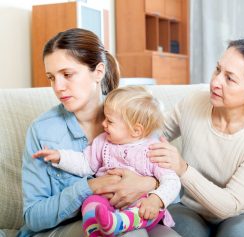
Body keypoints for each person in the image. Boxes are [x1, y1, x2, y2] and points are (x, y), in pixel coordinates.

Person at [19, 28, 181, 237]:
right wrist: (91, 187)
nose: (58, 87)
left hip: (129, 215)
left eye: (67, 74)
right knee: (131, 235)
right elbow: (33, 217)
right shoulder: (42, 131)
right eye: (51, 77)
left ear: (98, 72)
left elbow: (175, 192)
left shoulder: (134, 114)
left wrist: (148, 184)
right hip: (63, 228)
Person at [148, 38, 244, 237]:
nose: (215, 82)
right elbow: (150, 139)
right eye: (217, 70)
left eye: (230, 78)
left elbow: (229, 206)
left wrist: (183, 169)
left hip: (243, 213)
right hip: (188, 207)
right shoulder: (194, 101)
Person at [32, 86, 181, 237]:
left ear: (136, 130)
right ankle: (97, 229)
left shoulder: (153, 150)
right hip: (107, 204)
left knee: (147, 211)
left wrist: (156, 200)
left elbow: (172, 181)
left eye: (110, 121)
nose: (103, 124)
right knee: (90, 203)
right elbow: (85, 163)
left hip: (141, 205)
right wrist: (60, 157)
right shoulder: (103, 142)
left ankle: (118, 223)